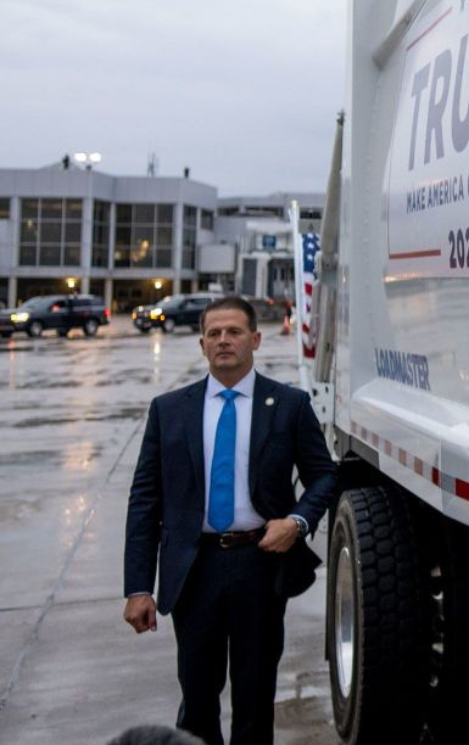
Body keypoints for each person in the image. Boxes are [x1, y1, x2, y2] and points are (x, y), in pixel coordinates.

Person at [122, 296, 337, 745]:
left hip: (260, 564)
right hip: (193, 569)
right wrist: (139, 586)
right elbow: (145, 500)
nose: (224, 341)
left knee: (255, 697)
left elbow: (325, 477)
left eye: (234, 332)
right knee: (197, 699)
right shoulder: (169, 410)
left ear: (255, 339)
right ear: (202, 344)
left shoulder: (290, 405)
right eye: (214, 333)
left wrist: (296, 521)